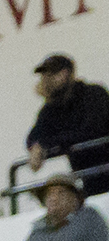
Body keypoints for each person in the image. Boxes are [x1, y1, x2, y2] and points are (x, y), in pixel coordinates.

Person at [25, 53, 109, 198]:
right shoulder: (51, 108)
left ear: (65, 74)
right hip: (89, 180)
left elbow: (92, 130)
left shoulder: (93, 94)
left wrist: (47, 143)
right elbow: (35, 134)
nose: (44, 81)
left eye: (50, 75)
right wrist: (37, 146)